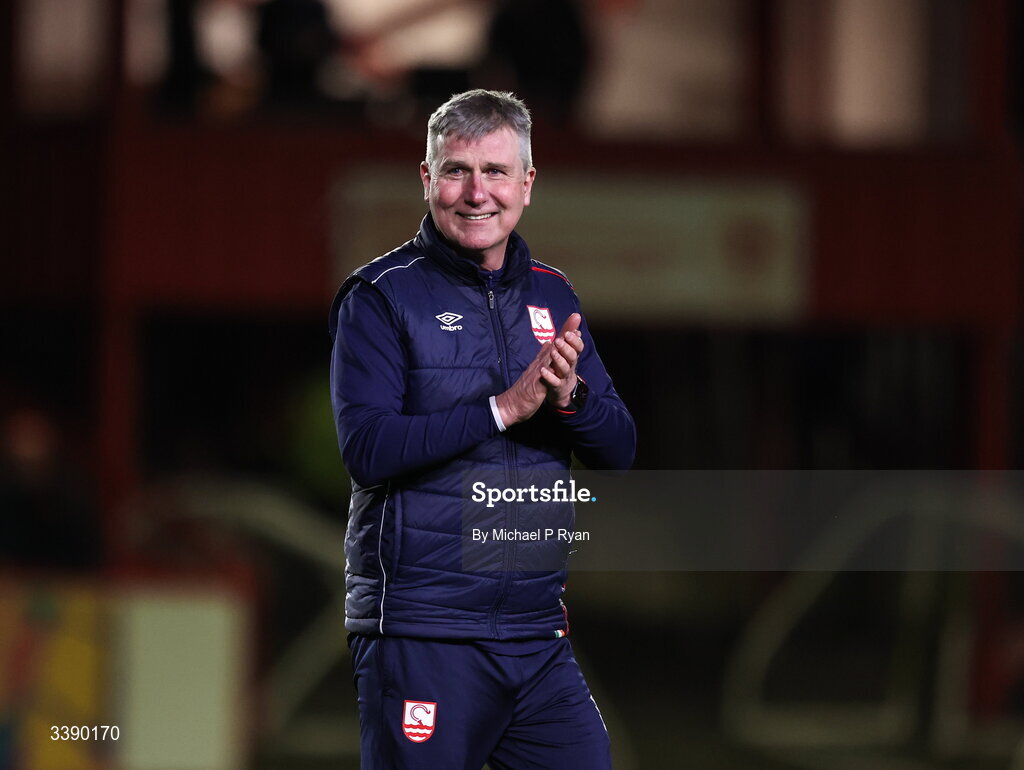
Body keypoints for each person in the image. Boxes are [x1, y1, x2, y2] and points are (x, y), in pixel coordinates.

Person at [329, 89, 635, 769]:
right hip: (423, 635)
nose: (476, 193)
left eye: (495, 171)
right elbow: (367, 450)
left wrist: (570, 398)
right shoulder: (381, 298)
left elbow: (620, 449)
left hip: (535, 639)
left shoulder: (554, 295)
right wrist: (502, 408)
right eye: (457, 170)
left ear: (527, 184)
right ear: (427, 178)